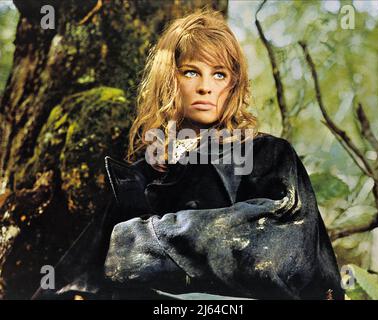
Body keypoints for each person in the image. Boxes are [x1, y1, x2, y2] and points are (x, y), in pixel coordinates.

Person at [32, 9, 344, 300]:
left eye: (219, 74)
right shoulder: (139, 174)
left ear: (234, 84)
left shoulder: (267, 154)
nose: (206, 87)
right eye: (191, 72)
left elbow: (281, 248)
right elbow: (82, 276)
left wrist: (146, 241)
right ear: (170, 80)